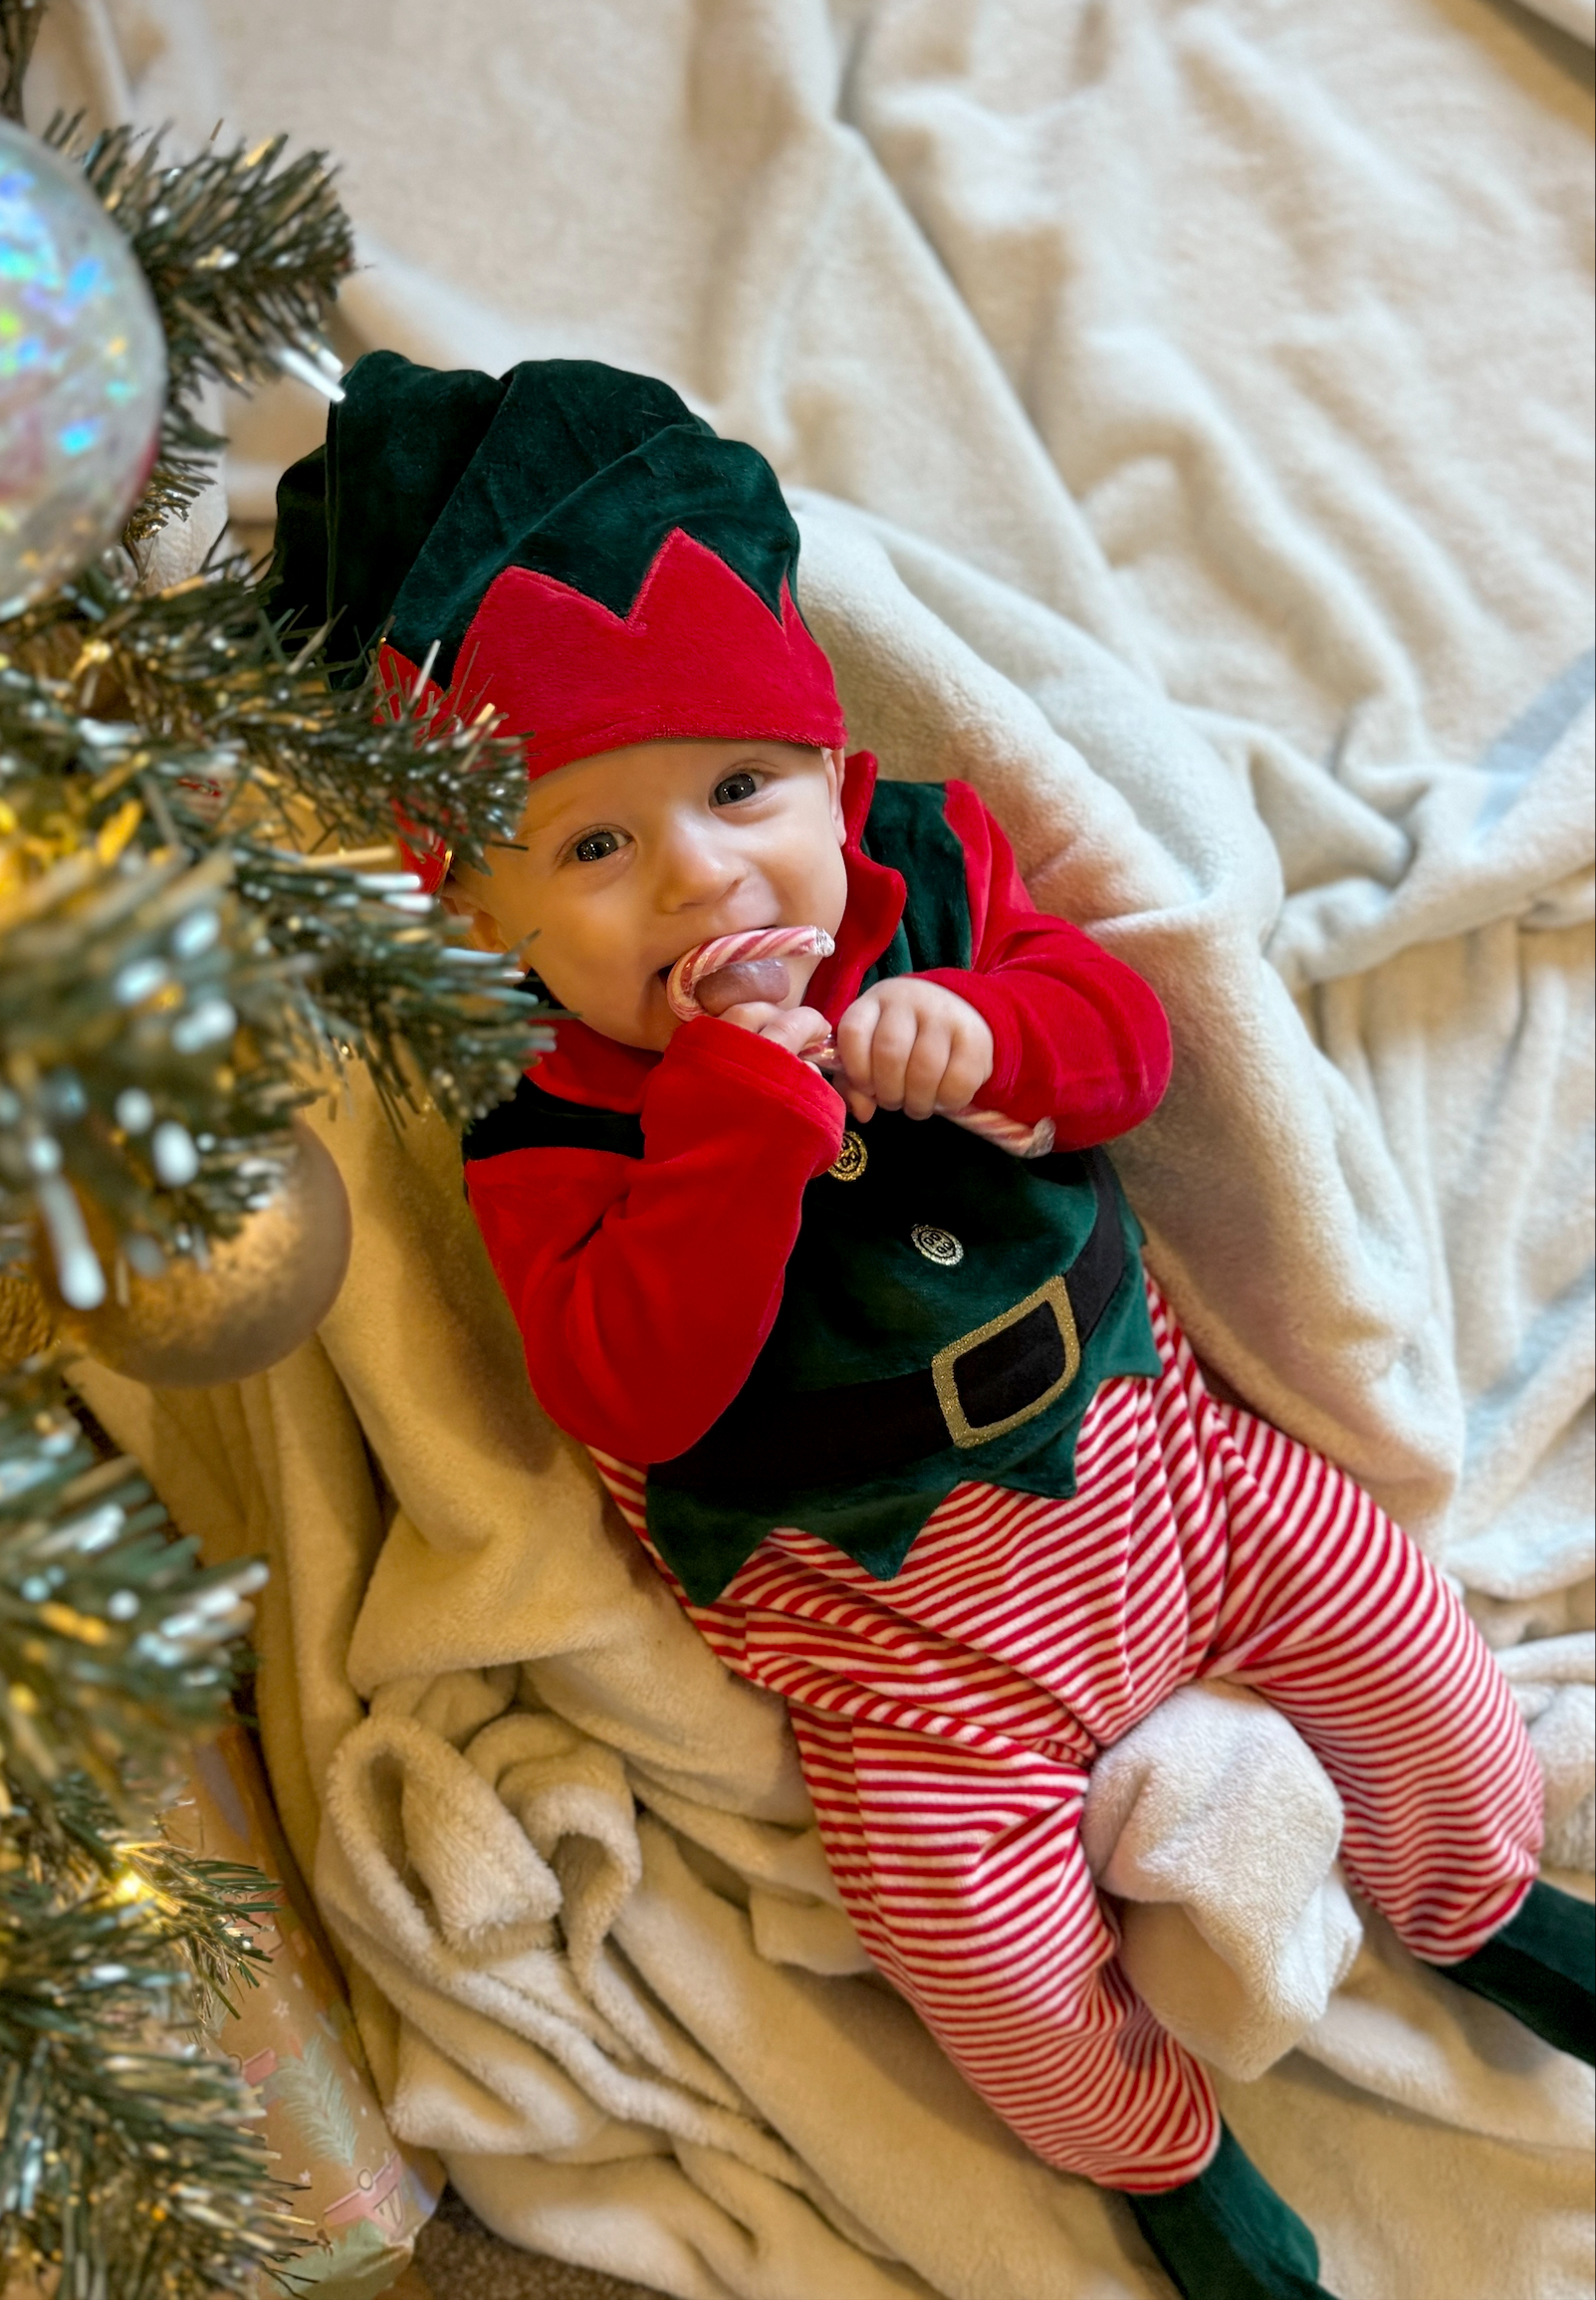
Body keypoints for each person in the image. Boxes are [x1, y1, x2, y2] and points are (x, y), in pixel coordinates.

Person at [271, 349, 1593, 2300]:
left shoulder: (922, 877)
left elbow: (1131, 1050)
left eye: (739, 791)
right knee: (962, 1934)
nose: (707, 875)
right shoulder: (533, 1110)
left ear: (832, 772)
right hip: (885, 1635)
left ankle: (1466, 1894)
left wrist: (994, 1038)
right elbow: (624, 1375)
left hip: (1162, 1472)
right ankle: (1153, 2154)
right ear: (479, 921)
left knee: (1393, 1635)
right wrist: (727, 1119)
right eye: (593, 847)